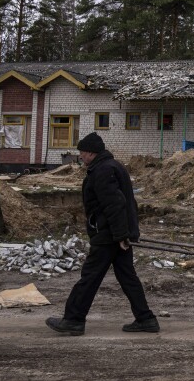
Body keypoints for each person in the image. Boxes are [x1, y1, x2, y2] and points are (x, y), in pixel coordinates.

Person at [46, 132, 159, 336]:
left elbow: (114, 205)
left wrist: (120, 236)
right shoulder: (113, 166)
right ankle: (146, 319)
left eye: (82, 152)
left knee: (90, 277)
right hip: (118, 234)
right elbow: (125, 203)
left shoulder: (103, 170)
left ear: (91, 152)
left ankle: (73, 319)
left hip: (109, 236)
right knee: (127, 277)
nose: (80, 156)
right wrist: (125, 234)